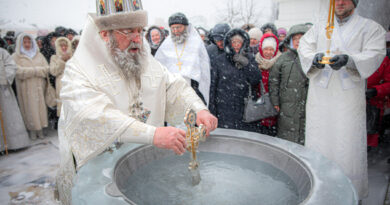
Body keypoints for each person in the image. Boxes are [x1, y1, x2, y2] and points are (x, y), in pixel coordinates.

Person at [55, 6, 217, 205]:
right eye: (129, 31)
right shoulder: (79, 69)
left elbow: (172, 85)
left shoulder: (142, 59)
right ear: (105, 34)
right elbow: (92, 113)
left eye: (140, 30)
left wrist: (198, 108)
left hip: (142, 162)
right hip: (101, 170)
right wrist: (153, 134)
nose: (137, 38)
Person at [298, 0, 386, 200]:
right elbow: (304, 47)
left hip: (348, 100)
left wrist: (350, 60)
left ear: (355, 2)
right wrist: (314, 58)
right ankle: (321, 192)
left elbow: (375, 53)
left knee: (348, 145)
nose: (340, 2)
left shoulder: (370, 28)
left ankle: (349, 195)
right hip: (320, 98)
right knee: (319, 142)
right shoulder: (320, 27)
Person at [209, 28, 262, 132]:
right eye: (234, 42)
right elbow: (213, 86)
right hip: (224, 108)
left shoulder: (249, 58)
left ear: (244, 43)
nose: (237, 45)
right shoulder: (219, 60)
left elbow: (256, 79)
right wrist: (212, 109)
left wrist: (246, 64)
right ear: (229, 43)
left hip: (244, 108)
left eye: (239, 42)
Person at [155, 12, 210, 105]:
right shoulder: (166, 44)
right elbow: (158, 66)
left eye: (178, 27)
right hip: (172, 89)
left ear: (186, 27)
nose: (176, 31)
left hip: (193, 87)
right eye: (173, 28)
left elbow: (204, 68)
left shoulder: (196, 42)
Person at [269, 24, 309, 144]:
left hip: (306, 105)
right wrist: (275, 101)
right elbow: (274, 81)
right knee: (287, 138)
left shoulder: (311, 58)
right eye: (295, 38)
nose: (298, 41)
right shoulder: (283, 59)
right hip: (286, 106)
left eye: (301, 38)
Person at [12, 33, 49, 140]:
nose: (27, 44)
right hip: (26, 88)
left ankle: (41, 129)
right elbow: (17, 71)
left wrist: (34, 71)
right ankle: (32, 129)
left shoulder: (38, 55)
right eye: (25, 42)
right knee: (29, 109)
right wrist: (35, 70)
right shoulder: (16, 56)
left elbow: (46, 68)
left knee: (40, 108)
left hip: (39, 86)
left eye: (29, 42)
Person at [0, 47, 30, 152]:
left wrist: (3, 78)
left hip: (3, 90)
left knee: (8, 116)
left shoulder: (2, 52)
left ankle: (15, 143)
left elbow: (11, 65)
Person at [366, 34, 390, 147]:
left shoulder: (383, 60)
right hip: (351, 105)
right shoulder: (351, 58)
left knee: (368, 139)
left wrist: (376, 90)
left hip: (373, 106)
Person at [255, 33, 281, 136]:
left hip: (274, 103)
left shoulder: (280, 62)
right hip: (259, 102)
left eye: (271, 49)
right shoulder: (256, 60)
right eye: (266, 49)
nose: (268, 52)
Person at [49, 37, 72, 117]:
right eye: (61, 46)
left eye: (65, 45)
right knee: (63, 107)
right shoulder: (54, 58)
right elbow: (53, 71)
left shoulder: (73, 56)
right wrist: (62, 61)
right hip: (61, 85)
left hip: (73, 84)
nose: (64, 47)